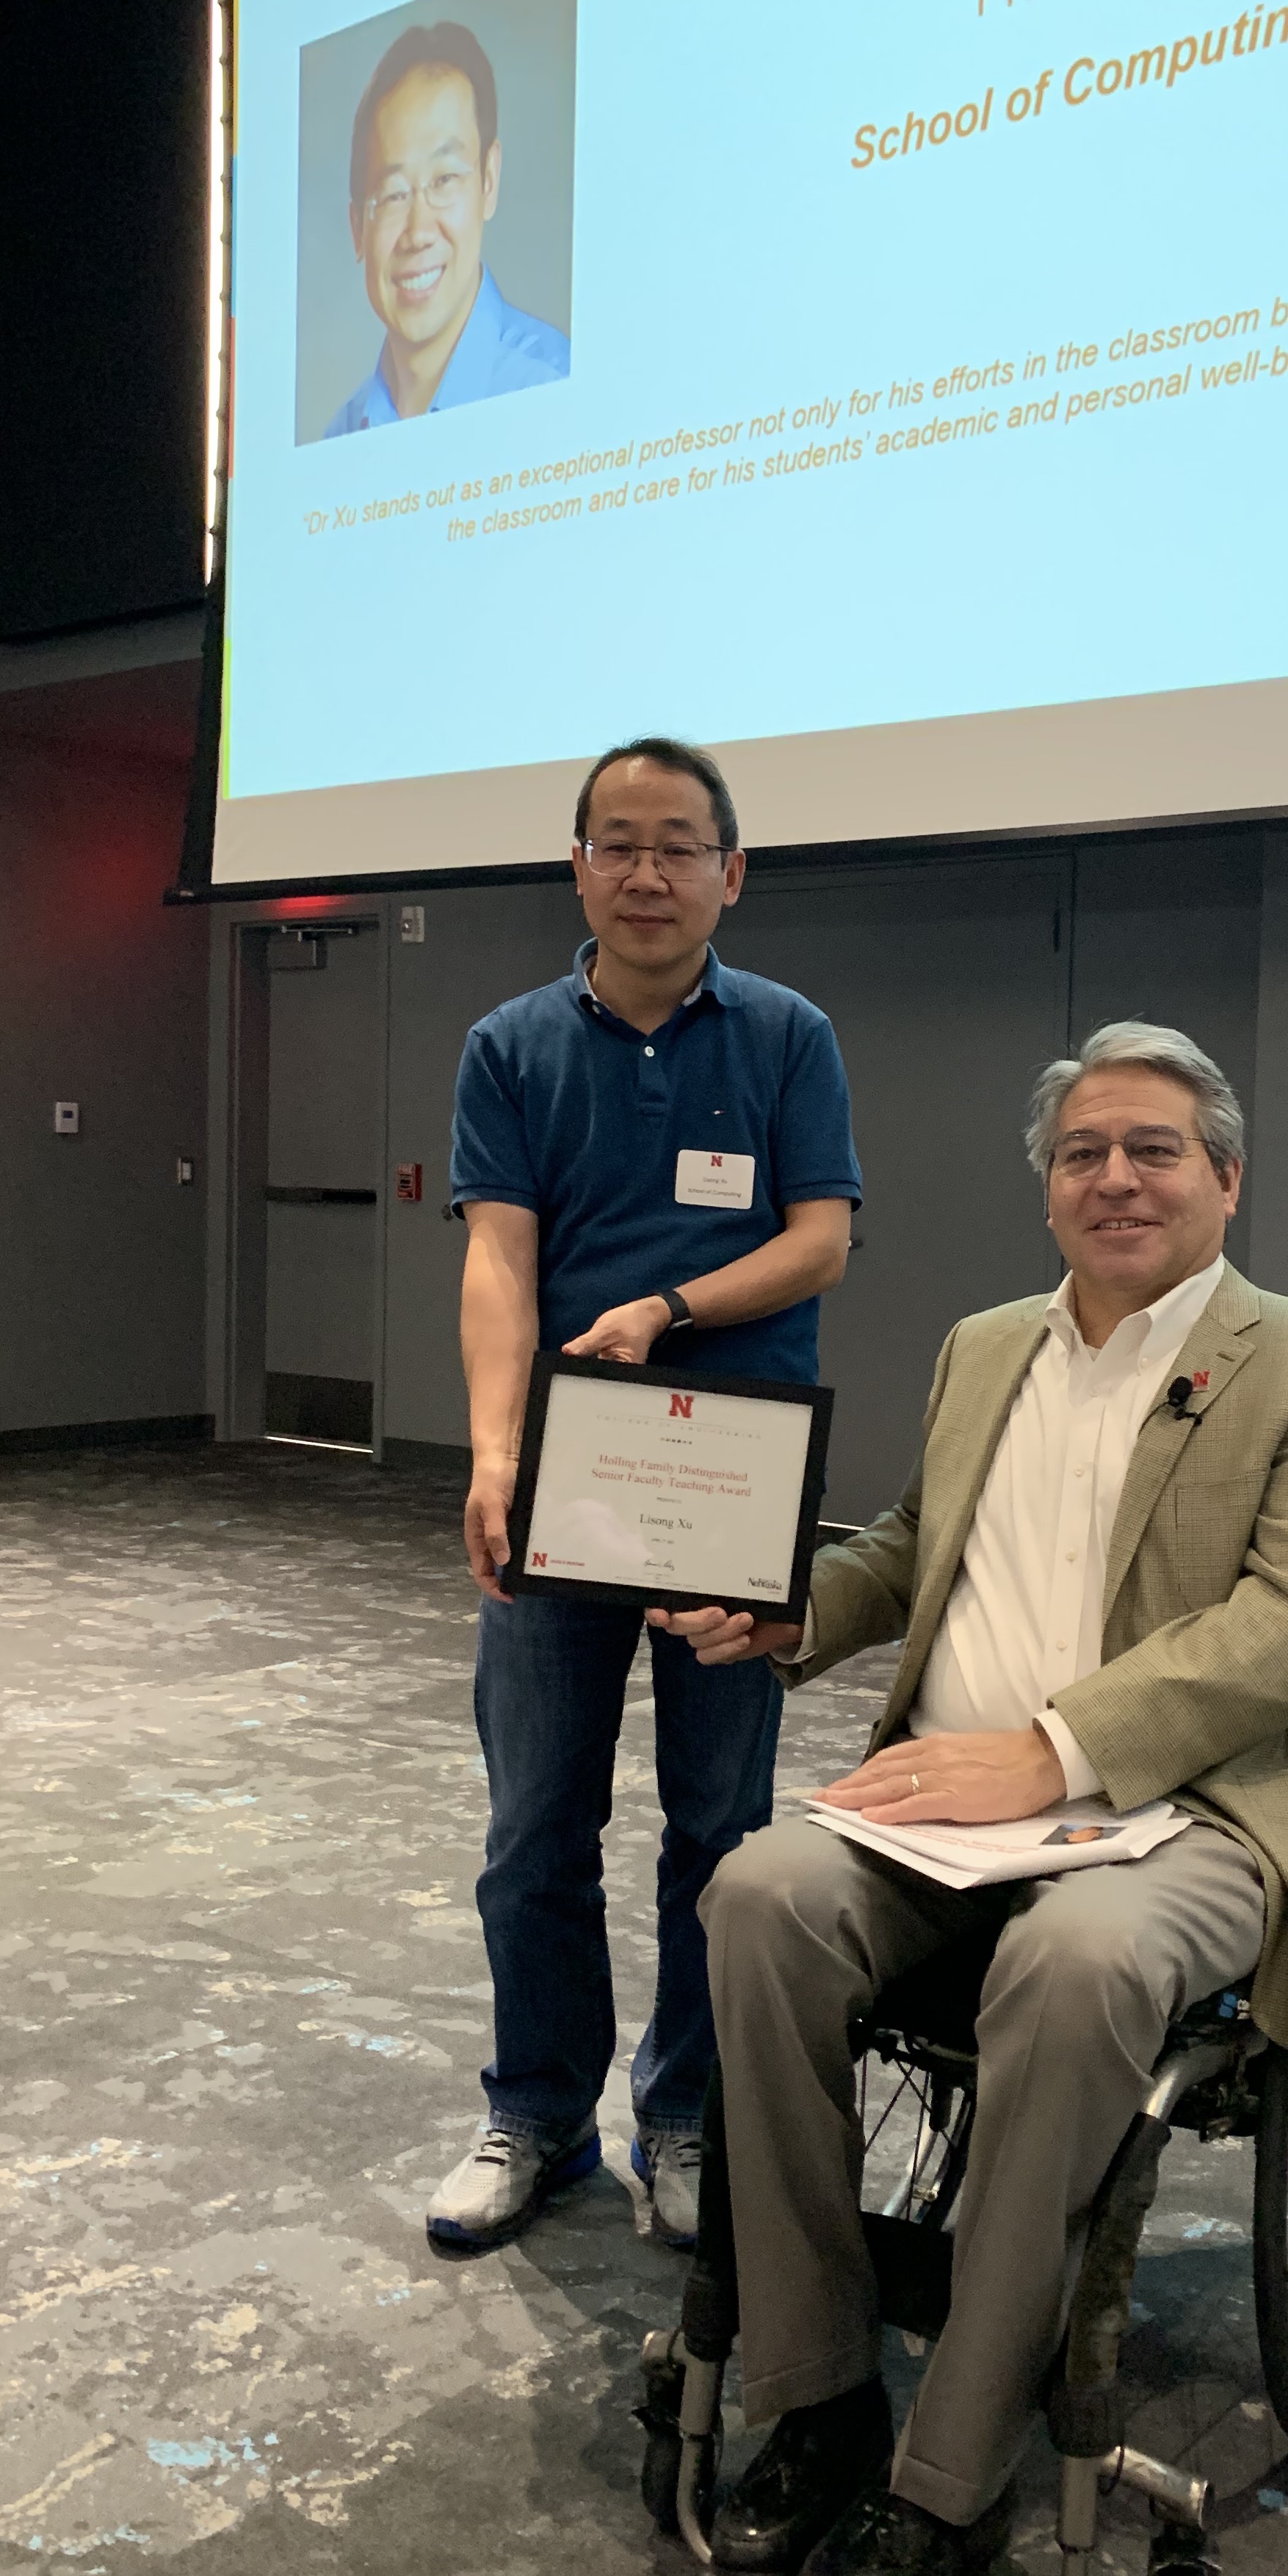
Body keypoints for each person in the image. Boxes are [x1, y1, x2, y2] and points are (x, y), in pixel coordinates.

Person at [651, 1020, 1288, 2576]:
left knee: (1074, 1975)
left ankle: (948, 2476)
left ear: (1225, 1176)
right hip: (943, 1808)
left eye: (1151, 1150)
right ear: (1047, 1187)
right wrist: (784, 1613)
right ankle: (820, 2390)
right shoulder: (987, 1343)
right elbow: (920, 1544)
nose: (1116, 1179)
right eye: (1083, 1154)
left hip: (1182, 1819)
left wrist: (1056, 1751)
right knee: (757, 1896)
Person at [427, 737, 862, 2254]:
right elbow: (499, 1255)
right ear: (578, 866)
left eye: (680, 845)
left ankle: (682, 2112)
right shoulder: (510, 1044)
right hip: (564, 1483)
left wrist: (669, 1311)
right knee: (533, 1825)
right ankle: (538, 2109)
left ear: (731, 874)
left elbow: (820, 1242)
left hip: (730, 1485)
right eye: (618, 842)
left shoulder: (789, 1036)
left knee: (719, 1833)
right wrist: (495, 1450)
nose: (649, 871)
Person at [323, 20, 567, 437]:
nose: (418, 233)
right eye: (393, 194)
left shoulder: (554, 388)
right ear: (357, 229)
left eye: (444, 180)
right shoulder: (342, 435)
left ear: (489, 181)